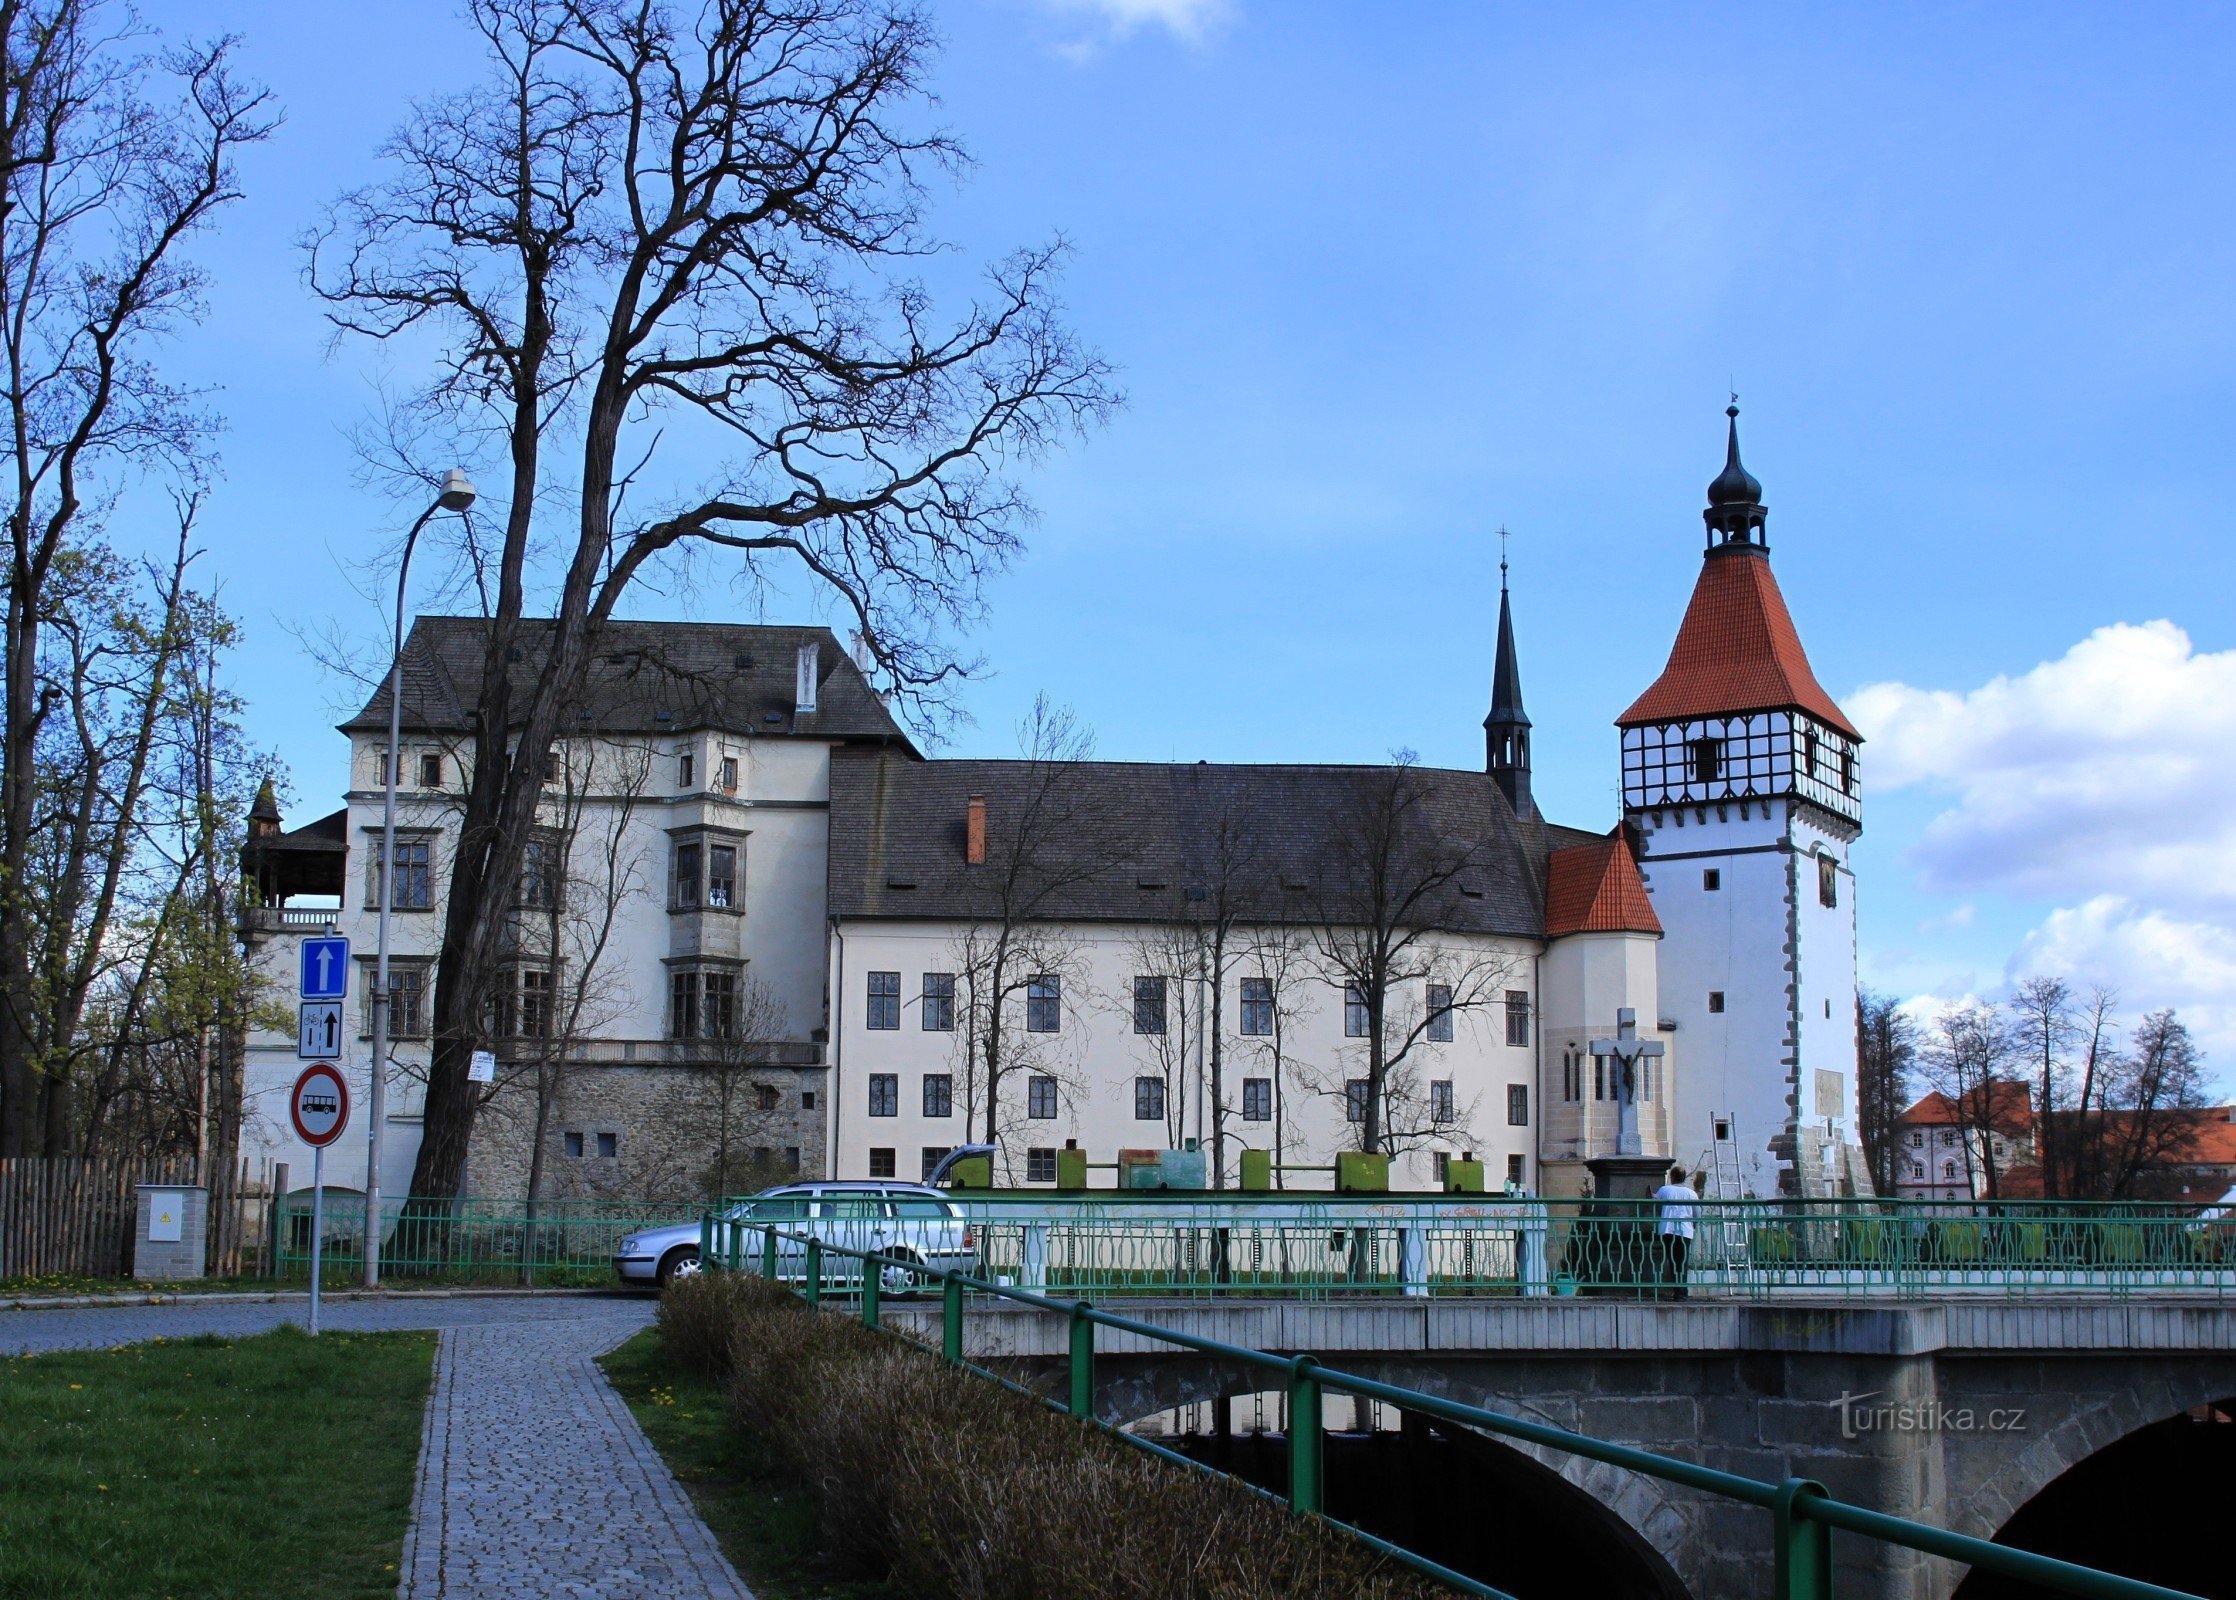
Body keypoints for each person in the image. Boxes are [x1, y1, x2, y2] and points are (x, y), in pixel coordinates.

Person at [1653, 1164, 1698, 1301]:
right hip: (1685, 1230)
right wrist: (1693, 1225)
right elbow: (1697, 1213)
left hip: (1668, 1229)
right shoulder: (1691, 1193)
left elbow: (1657, 1204)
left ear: (1671, 1177)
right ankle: (1682, 1292)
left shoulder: (1664, 1190)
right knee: (1682, 1261)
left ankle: (1677, 1291)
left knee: (1672, 1261)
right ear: (1684, 1178)